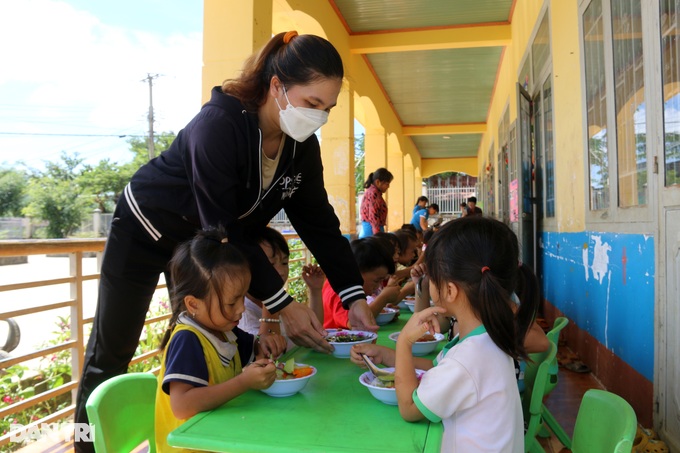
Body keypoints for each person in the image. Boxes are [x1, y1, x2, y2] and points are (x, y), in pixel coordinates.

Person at [74, 31, 377, 448]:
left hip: (204, 246)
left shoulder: (301, 148)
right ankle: (85, 443)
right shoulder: (218, 125)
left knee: (200, 338)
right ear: (277, 87)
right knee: (111, 351)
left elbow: (319, 224)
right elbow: (226, 227)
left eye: (328, 108)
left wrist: (354, 297)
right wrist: (282, 305)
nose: (320, 116)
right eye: (312, 104)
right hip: (147, 230)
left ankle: (179, 436)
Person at [350, 217, 540, 452]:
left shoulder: (468, 358)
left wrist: (404, 344)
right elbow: (439, 368)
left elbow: (409, 408)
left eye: (431, 277)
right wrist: (386, 355)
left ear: (449, 290)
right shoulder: (486, 337)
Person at [154, 228, 280, 452]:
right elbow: (182, 406)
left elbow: (256, 352)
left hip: (221, 439)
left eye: (243, 297)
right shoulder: (187, 339)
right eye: (232, 303)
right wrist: (244, 382)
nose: (241, 309)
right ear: (193, 304)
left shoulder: (224, 330)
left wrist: (264, 346)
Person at [238, 227, 326, 351]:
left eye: (284, 263)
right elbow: (270, 356)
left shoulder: (283, 301)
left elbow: (313, 332)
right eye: (270, 265)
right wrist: (271, 301)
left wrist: (315, 290)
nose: (280, 272)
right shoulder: (241, 313)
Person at [323, 236, 396, 329]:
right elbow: (354, 323)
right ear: (357, 272)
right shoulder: (339, 288)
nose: (378, 286)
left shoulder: (349, 285)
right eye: (376, 280)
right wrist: (383, 298)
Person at [359, 168, 393, 238]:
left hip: (372, 228)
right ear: (378, 182)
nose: (388, 187)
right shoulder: (373, 193)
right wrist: (377, 235)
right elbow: (373, 215)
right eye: (387, 184)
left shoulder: (374, 193)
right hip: (372, 229)